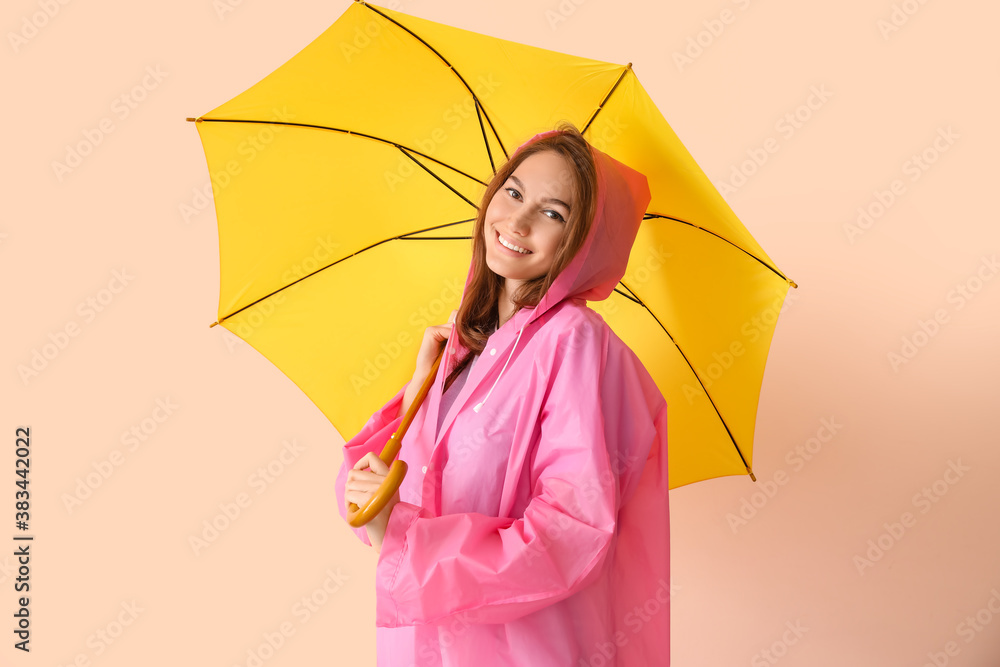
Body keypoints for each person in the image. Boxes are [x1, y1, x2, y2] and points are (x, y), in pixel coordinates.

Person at [334, 121, 670, 666]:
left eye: (553, 212)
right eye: (512, 192)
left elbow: (569, 530)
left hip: (519, 651)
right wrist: (424, 387)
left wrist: (402, 535)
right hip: (423, 646)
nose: (516, 220)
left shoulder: (575, 342)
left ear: (584, 241)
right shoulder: (467, 339)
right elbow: (384, 486)